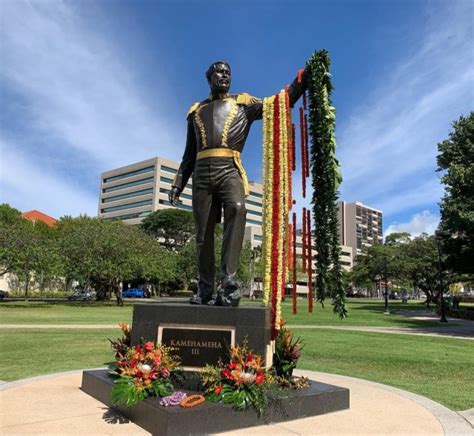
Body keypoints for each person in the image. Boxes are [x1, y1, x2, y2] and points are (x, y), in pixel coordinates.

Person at [169, 61, 307, 307]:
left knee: (238, 207)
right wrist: (178, 184)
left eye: (228, 73)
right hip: (201, 172)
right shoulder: (195, 111)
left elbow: (277, 105)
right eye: (220, 72)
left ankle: (229, 286)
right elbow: (188, 154)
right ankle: (205, 289)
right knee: (203, 234)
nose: (225, 76)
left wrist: (302, 80)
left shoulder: (243, 104)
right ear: (209, 77)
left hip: (229, 169)